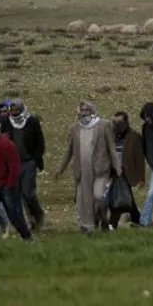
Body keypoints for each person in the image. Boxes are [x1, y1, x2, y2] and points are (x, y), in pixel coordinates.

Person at [55, 101, 117, 235]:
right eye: (82, 110)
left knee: (98, 196)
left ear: (92, 111)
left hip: (100, 169)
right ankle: (88, 226)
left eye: (87, 110)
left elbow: (112, 148)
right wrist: (60, 169)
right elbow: (69, 151)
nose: (84, 113)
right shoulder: (74, 128)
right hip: (82, 170)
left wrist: (118, 168)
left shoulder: (104, 125)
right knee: (85, 200)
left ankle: (103, 219)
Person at [6, 99, 47, 233]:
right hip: (13, 164)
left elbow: (40, 142)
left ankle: (38, 214)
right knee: (17, 195)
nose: (15, 112)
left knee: (28, 193)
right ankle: (28, 222)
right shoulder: (7, 122)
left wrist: (35, 159)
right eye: (13, 110)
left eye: (17, 109)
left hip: (29, 162)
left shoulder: (31, 121)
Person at [108, 110, 146, 228]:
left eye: (119, 123)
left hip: (126, 172)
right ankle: (137, 219)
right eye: (114, 123)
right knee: (125, 198)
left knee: (120, 198)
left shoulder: (134, 137)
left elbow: (139, 159)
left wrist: (141, 178)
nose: (117, 125)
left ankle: (112, 224)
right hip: (114, 172)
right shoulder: (112, 136)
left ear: (126, 122)